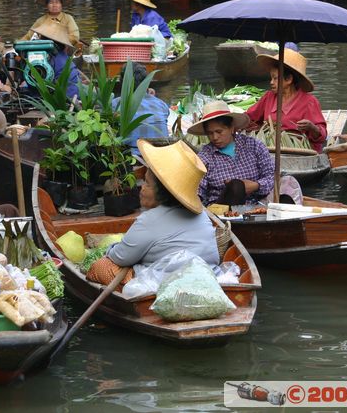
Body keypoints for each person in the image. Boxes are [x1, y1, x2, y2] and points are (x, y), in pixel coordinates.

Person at [86, 139, 219, 286]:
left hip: (166, 285)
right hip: (209, 277)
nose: (142, 188)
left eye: (147, 183)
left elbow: (120, 257)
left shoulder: (150, 220)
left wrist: (112, 249)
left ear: (164, 192)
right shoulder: (202, 216)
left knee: (101, 267)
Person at [188, 100, 276, 206]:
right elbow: (198, 190)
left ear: (232, 128)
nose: (215, 137)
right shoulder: (205, 157)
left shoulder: (254, 146)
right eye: (210, 133)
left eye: (219, 132)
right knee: (236, 186)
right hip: (222, 210)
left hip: (256, 206)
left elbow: (271, 177)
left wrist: (256, 185)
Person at [245, 47, 327, 153]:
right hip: (271, 149)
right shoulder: (269, 97)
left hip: (299, 152)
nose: (271, 82)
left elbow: (322, 136)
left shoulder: (309, 101)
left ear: (288, 79)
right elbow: (250, 118)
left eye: (275, 78)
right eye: (271, 78)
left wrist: (312, 127)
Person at [110, 63, 170, 156]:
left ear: (123, 83)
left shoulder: (116, 104)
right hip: (161, 157)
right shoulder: (161, 104)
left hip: (134, 158)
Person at [31, 21, 80, 98]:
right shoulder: (67, 63)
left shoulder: (37, 60)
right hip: (69, 101)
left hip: (55, 101)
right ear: (65, 46)